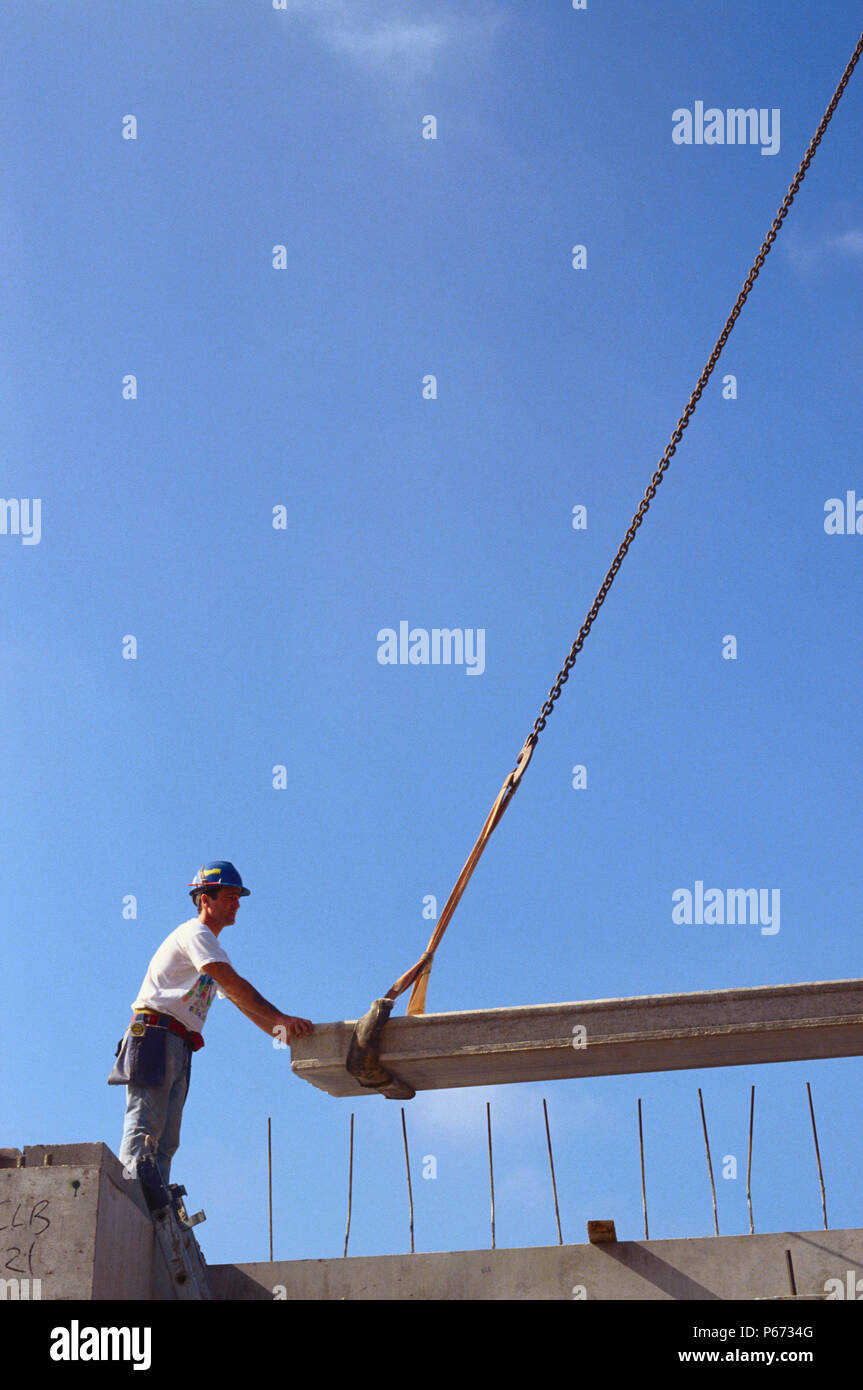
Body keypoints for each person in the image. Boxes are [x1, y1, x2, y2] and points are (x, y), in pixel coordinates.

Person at [115, 861, 313, 1183]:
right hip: (154, 1034)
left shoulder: (211, 946)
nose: (236, 905)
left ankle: (155, 1212)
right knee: (145, 1129)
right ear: (205, 899)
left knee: (166, 1141)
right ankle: (131, 1200)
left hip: (176, 1041)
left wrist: (281, 1033)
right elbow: (233, 984)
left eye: (238, 898)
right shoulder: (196, 933)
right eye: (229, 897)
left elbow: (239, 1001)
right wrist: (281, 1019)